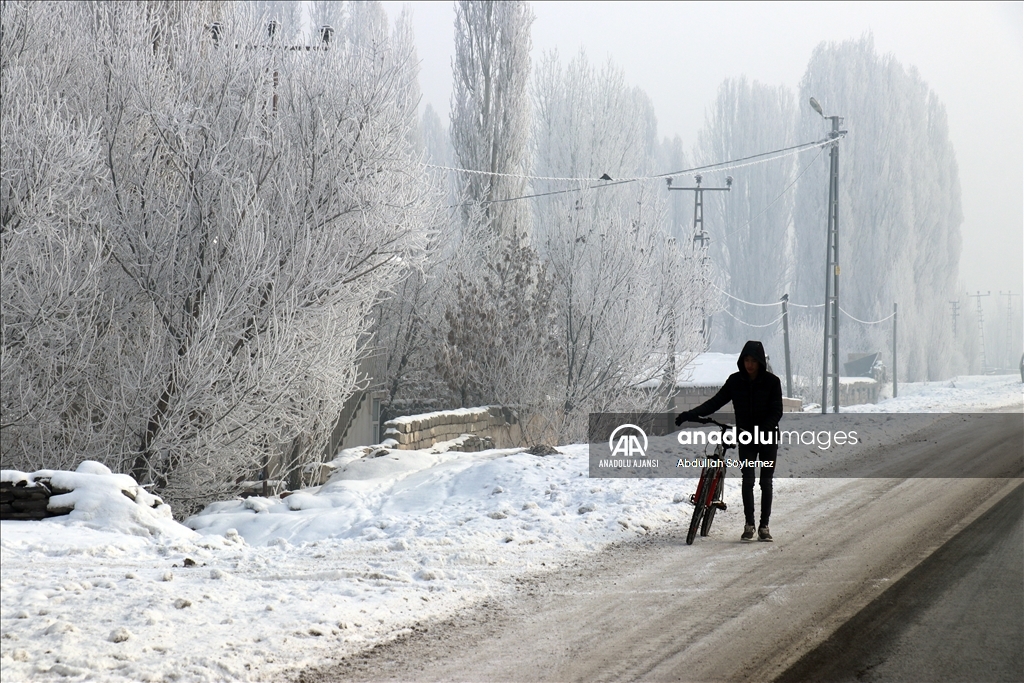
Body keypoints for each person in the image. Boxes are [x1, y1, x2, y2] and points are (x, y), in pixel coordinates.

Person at [675, 340, 783, 542]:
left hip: (767, 438)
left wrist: (762, 429)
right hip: (747, 439)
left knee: (765, 482)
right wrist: (690, 414)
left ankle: (764, 526)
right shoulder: (735, 381)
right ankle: (749, 525)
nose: (749, 364)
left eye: (753, 360)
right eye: (746, 360)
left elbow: (777, 411)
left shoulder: (772, 382)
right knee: (748, 480)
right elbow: (715, 402)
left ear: (760, 361)